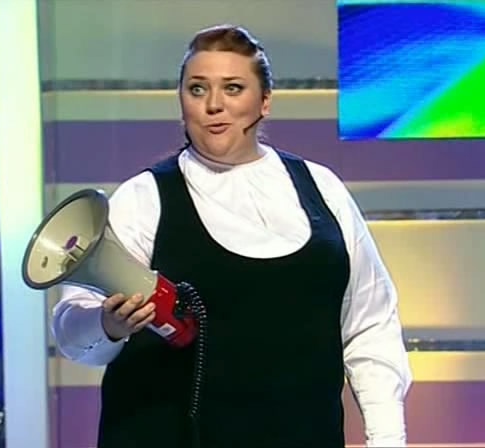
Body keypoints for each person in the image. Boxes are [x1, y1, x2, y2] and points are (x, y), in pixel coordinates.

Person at [51, 24, 412, 448]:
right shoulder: (143, 198)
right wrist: (107, 323)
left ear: (265, 101)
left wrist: (387, 436)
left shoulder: (323, 189)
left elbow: (370, 324)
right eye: (197, 89)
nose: (214, 105)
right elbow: (73, 332)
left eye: (233, 88)